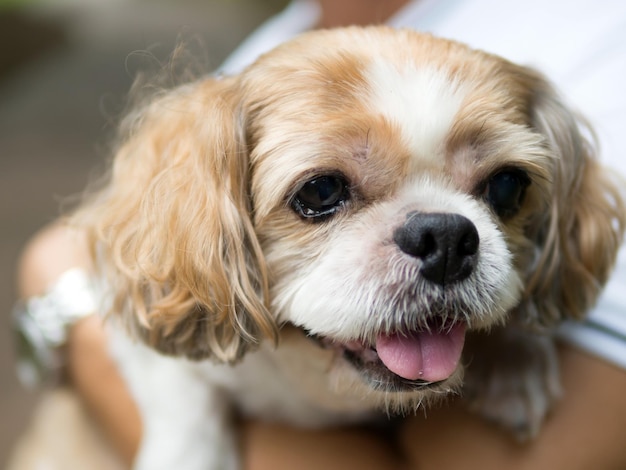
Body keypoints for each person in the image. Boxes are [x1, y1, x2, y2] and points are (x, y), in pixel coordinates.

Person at [13, 0, 626, 468]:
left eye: (500, 191)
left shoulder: (597, 40)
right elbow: (151, 294)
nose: (447, 239)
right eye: (322, 195)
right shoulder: (295, 31)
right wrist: (187, 430)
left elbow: (68, 261)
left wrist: (516, 339)